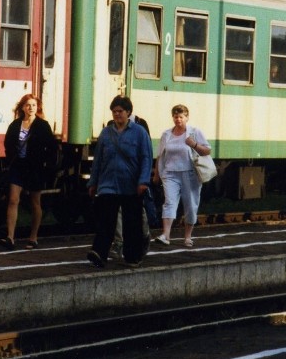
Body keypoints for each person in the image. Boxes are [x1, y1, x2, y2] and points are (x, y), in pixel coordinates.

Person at [86, 95, 153, 269]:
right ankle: (99, 253)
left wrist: (143, 181)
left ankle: (132, 256)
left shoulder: (139, 132)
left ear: (128, 112)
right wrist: (93, 182)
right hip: (108, 183)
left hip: (131, 184)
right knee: (105, 220)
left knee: (132, 222)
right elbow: (98, 159)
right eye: (114, 111)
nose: (117, 115)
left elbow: (146, 158)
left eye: (120, 111)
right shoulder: (106, 133)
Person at [1, 94, 57, 250]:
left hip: (35, 167)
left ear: (37, 107)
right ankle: (10, 237)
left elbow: (52, 148)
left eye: (33, 105)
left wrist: (46, 165)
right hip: (18, 166)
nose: (31, 108)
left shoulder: (42, 125)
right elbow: (8, 143)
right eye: (27, 105)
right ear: (22, 107)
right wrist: (10, 158)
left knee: (35, 202)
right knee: (13, 199)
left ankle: (33, 237)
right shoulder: (15, 125)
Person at [153, 104, 211, 247]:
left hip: (190, 174)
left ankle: (188, 236)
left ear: (187, 117)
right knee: (169, 202)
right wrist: (156, 174)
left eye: (181, 117)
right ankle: (166, 235)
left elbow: (207, 151)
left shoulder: (194, 132)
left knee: (190, 204)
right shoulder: (166, 134)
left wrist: (194, 145)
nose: (178, 119)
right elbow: (160, 155)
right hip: (170, 173)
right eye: (175, 117)